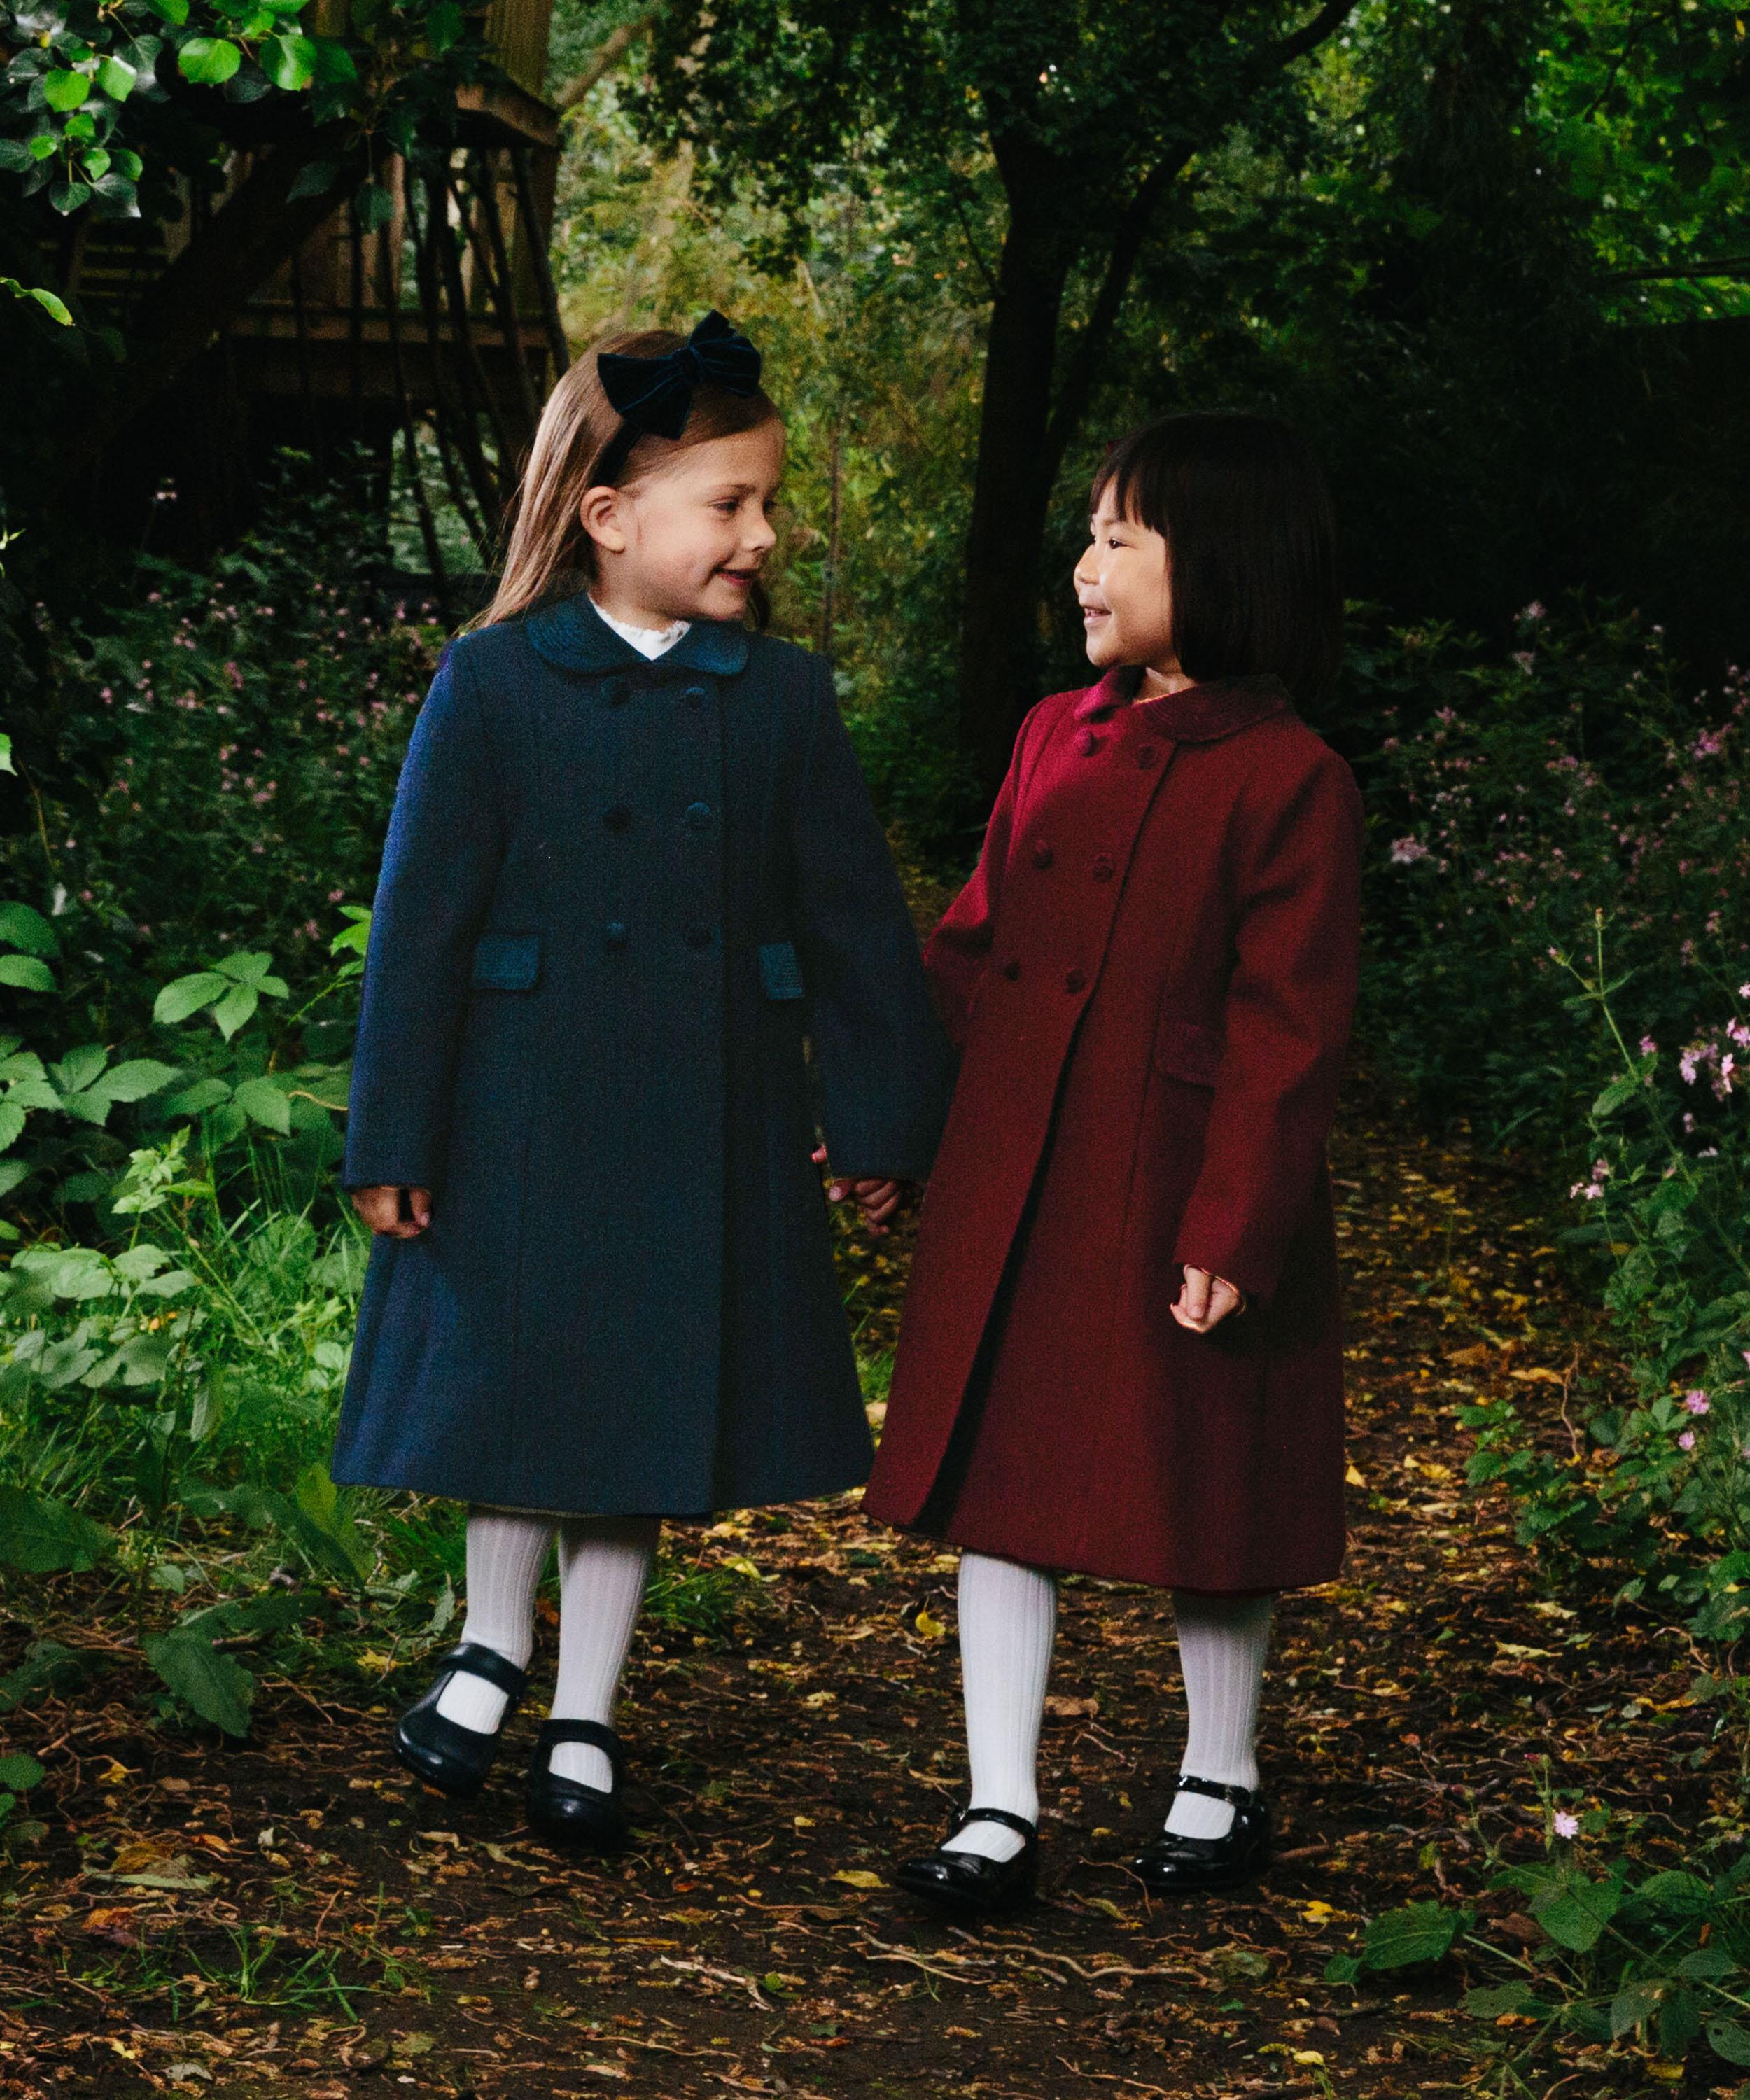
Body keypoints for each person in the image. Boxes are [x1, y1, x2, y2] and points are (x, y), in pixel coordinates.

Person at [331, 313, 947, 1849]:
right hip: (520, 1106)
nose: (763, 534)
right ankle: (490, 1648)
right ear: (609, 517)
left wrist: (879, 1119)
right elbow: (419, 927)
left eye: (766, 503)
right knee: (517, 1389)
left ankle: (587, 1713)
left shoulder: (781, 696)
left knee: (636, 1414)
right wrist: (394, 1131)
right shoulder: (491, 683)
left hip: (704, 1108)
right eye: (729, 503)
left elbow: (855, 925)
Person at [862, 412, 1362, 1915]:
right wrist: (894, 1124)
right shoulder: (1048, 734)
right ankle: (997, 1804)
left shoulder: (1290, 779)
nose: (1083, 568)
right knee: (1000, 1482)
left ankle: (1221, 1772)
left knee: (1209, 1484)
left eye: (1117, 540)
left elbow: (1288, 1034)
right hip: (1020, 1176)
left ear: (1220, 565)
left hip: (1178, 1191)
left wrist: (1235, 1225)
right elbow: (969, 947)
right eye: (1086, 535)